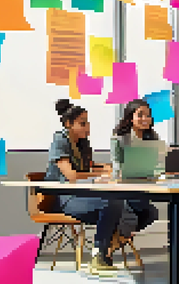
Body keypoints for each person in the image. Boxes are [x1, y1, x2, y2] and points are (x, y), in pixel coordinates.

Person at [45, 99, 126, 272]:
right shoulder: (60, 141)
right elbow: (72, 175)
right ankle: (99, 256)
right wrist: (101, 174)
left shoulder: (82, 144)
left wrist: (106, 167)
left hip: (81, 194)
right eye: (82, 123)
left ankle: (104, 251)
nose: (87, 127)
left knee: (121, 203)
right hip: (63, 197)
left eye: (87, 122)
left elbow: (87, 167)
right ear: (68, 124)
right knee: (111, 204)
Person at [110, 99, 160, 238]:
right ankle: (112, 242)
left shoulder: (152, 137)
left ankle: (115, 241)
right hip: (125, 187)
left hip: (145, 185)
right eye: (140, 115)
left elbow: (156, 164)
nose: (145, 119)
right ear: (130, 117)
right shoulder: (119, 138)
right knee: (133, 213)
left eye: (148, 115)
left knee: (151, 213)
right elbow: (117, 166)